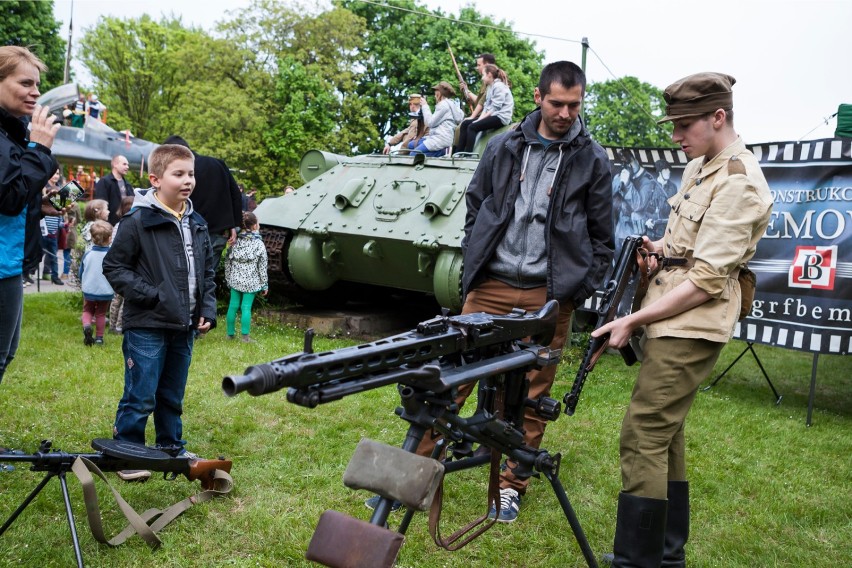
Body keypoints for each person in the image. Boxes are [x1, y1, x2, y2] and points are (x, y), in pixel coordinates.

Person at [376, 61, 614, 520]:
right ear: (538, 97)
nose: (565, 113)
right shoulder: (503, 146)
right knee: (449, 380)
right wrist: (475, 259)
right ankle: (411, 477)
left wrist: (574, 290)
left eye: (574, 105)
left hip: (549, 296)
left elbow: (602, 236)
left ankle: (511, 485)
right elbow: (476, 207)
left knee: (530, 395)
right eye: (556, 103)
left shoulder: (592, 159)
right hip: (491, 286)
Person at [593, 73, 772, 567]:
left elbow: (709, 279)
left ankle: (638, 561)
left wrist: (632, 320)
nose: (675, 136)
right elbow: (688, 250)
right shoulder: (702, 166)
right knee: (664, 433)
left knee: (643, 432)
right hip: (673, 314)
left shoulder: (739, 180)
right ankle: (666, 556)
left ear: (719, 117)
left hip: (692, 322)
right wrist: (659, 250)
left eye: (683, 125)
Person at [103, 144, 217, 480]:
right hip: (147, 324)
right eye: (178, 174)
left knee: (171, 392)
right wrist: (152, 296)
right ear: (155, 179)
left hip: (184, 326)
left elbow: (207, 272)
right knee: (140, 393)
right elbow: (115, 267)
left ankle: (170, 446)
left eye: (191, 174)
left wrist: (206, 308)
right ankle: (128, 451)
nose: (187, 181)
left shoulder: (196, 222)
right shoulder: (137, 220)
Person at [0, 46, 61, 383]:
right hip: (1, 262)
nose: (35, 92)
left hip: (8, 259)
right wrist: (39, 149)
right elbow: (8, 197)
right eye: (25, 83)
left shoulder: (10, 133)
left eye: (36, 84)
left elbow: (13, 194)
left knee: (6, 354)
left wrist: (39, 204)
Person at [162, 135, 242, 265]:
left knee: (188, 277)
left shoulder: (179, 172)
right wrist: (233, 224)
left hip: (189, 233)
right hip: (218, 233)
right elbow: (236, 195)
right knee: (208, 279)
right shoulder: (218, 164)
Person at [224, 211, 268, 343]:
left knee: (232, 306)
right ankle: (245, 337)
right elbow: (262, 265)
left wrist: (228, 278)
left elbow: (228, 261)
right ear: (255, 226)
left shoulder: (235, 242)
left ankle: (230, 334)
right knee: (246, 307)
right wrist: (264, 283)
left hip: (235, 279)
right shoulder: (259, 244)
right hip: (251, 281)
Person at [455, 64, 514, 154]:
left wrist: (478, 121)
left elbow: (494, 108)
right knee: (465, 123)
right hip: (494, 114)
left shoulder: (499, 86)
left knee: (472, 127)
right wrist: (475, 119)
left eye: (483, 75)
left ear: (489, 74)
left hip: (501, 117)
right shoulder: (490, 87)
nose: (482, 78)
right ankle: (459, 152)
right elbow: (486, 107)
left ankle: (468, 154)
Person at [79, 220, 114, 346]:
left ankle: (87, 326)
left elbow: (81, 272)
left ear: (92, 238)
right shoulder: (111, 255)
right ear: (110, 238)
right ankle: (99, 338)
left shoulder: (88, 254)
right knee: (101, 313)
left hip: (89, 289)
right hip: (105, 290)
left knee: (87, 310)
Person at [408, 82, 464, 157]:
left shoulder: (443, 105)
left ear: (440, 93)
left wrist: (425, 106)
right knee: (411, 145)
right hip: (440, 137)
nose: (434, 94)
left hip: (440, 139)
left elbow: (430, 123)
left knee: (413, 154)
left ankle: (443, 152)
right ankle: (440, 151)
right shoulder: (450, 104)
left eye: (436, 91)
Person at [107, 196, 135, 335]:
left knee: (116, 298)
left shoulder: (118, 224)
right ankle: (119, 326)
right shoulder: (133, 224)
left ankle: (112, 325)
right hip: (129, 266)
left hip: (117, 265)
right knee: (126, 298)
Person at [94, 154, 134, 225]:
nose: (127, 167)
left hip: (126, 224)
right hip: (109, 224)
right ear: (115, 165)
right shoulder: (104, 181)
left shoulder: (127, 184)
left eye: (127, 165)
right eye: (124, 164)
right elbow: (100, 204)